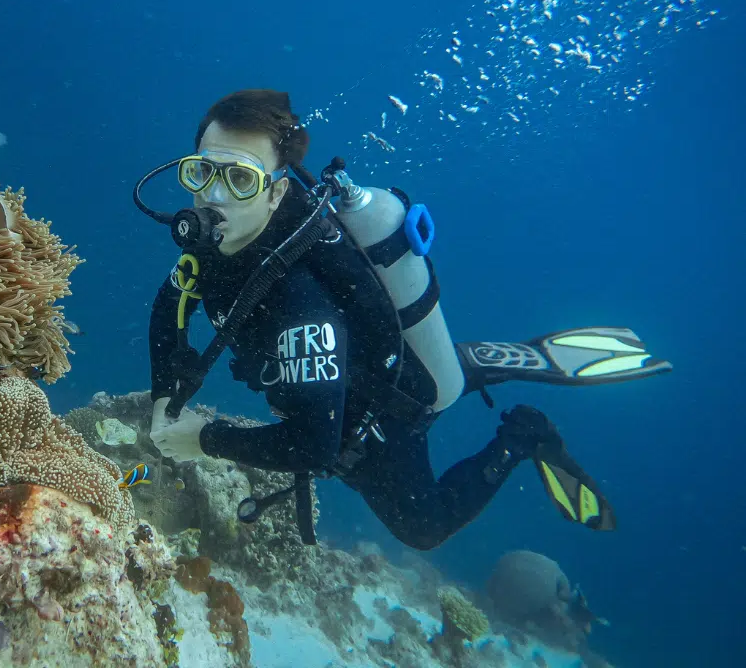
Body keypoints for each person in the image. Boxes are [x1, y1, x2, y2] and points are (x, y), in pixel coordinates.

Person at [136, 89, 671, 550]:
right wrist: (166, 395)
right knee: (440, 378)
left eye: (240, 179)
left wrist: (205, 439)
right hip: (359, 357)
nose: (211, 195)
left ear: (277, 191)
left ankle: (523, 436)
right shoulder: (223, 242)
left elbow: (314, 446)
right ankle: (459, 366)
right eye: (201, 171)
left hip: (381, 410)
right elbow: (170, 304)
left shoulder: (300, 305)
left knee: (424, 529)